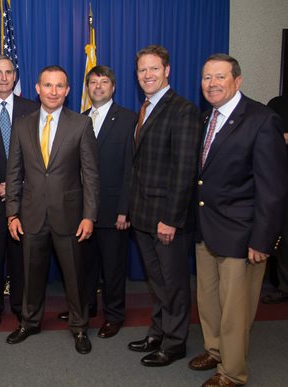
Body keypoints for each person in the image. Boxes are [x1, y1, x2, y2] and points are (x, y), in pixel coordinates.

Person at [189, 54, 288, 387]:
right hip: (207, 229)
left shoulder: (262, 120)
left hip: (242, 235)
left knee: (235, 310)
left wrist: (263, 240)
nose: (212, 84)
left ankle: (232, 372)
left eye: (219, 77)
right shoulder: (205, 119)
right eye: (206, 78)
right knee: (208, 300)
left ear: (238, 81)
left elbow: (273, 189)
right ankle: (215, 351)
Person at [5, 65, 99, 354]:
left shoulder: (81, 125)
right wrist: (11, 212)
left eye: (60, 86)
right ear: (37, 88)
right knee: (31, 275)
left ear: (68, 91)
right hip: (31, 215)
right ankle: (29, 323)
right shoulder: (21, 124)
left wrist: (89, 216)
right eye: (48, 85)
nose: (54, 91)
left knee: (75, 276)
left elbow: (90, 174)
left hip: (70, 216)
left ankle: (79, 327)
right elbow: (14, 172)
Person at [127, 45, 202, 367]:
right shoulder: (146, 108)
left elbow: (185, 169)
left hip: (166, 218)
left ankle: (174, 343)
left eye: (154, 69)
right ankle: (157, 331)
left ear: (167, 70)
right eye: (142, 70)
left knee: (173, 283)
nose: (147, 75)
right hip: (143, 215)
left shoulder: (182, 110)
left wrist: (171, 219)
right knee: (157, 282)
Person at [58, 65, 137, 338]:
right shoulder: (79, 119)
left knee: (113, 268)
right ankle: (86, 307)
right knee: (85, 265)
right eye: (93, 82)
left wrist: (124, 210)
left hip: (114, 210)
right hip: (81, 211)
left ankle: (114, 315)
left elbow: (131, 168)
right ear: (87, 88)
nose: (98, 87)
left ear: (113, 87)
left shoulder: (128, 119)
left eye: (104, 82)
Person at [0, 55, 38, 328]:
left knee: (20, 257)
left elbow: (41, 154)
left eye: (8, 72)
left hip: (25, 197)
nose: (4, 77)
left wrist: (19, 186)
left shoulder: (32, 109)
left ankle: (19, 305)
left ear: (15, 77)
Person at [260, 95, 288, 305]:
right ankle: (283, 286)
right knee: (283, 237)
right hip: (281, 181)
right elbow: (272, 139)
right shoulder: (277, 104)